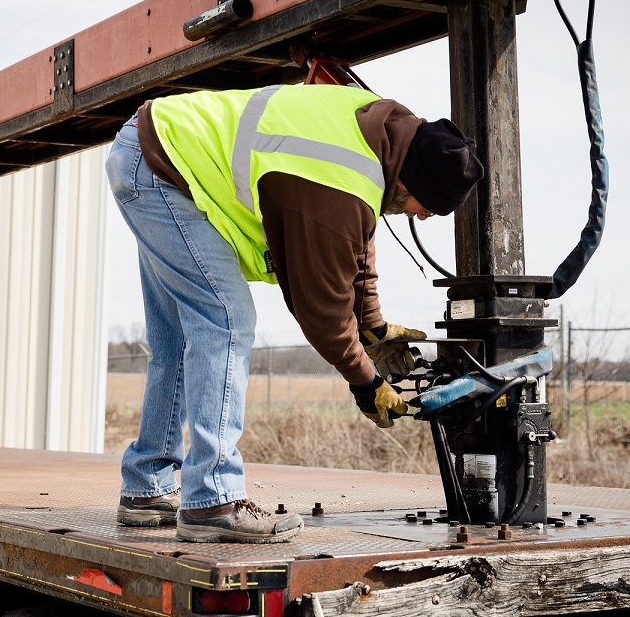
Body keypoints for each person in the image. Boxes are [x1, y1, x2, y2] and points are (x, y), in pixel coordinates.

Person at [106, 83, 483, 544]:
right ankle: (212, 499)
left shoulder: (380, 136)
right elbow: (322, 310)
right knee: (226, 321)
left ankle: (147, 485)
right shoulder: (337, 188)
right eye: (430, 209)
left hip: (156, 149)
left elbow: (358, 240)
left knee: (178, 338)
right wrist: (366, 382)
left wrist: (374, 325)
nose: (422, 218)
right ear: (412, 183)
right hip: (164, 169)